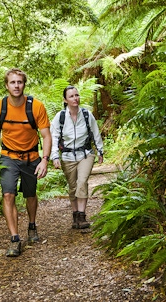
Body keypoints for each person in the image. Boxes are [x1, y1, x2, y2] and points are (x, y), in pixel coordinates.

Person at [0, 68, 52, 257]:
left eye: (20, 82)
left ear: (24, 84)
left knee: (30, 195)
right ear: (6, 85)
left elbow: (46, 135)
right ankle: (15, 238)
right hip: (9, 157)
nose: (16, 86)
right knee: (8, 195)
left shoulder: (36, 106)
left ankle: (32, 225)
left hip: (31, 157)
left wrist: (45, 160)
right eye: (12, 82)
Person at [50, 85, 104, 230]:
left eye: (77, 95)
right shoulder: (60, 117)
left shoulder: (86, 114)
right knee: (73, 186)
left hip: (85, 154)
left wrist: (100, 150)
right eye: (72, 96)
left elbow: (95, 132)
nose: (75, 98)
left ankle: (82, 215)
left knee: (82, 182)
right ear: (65, 100)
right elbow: (54, 137)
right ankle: (75, 215)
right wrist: (54, 156)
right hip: (67, 156)